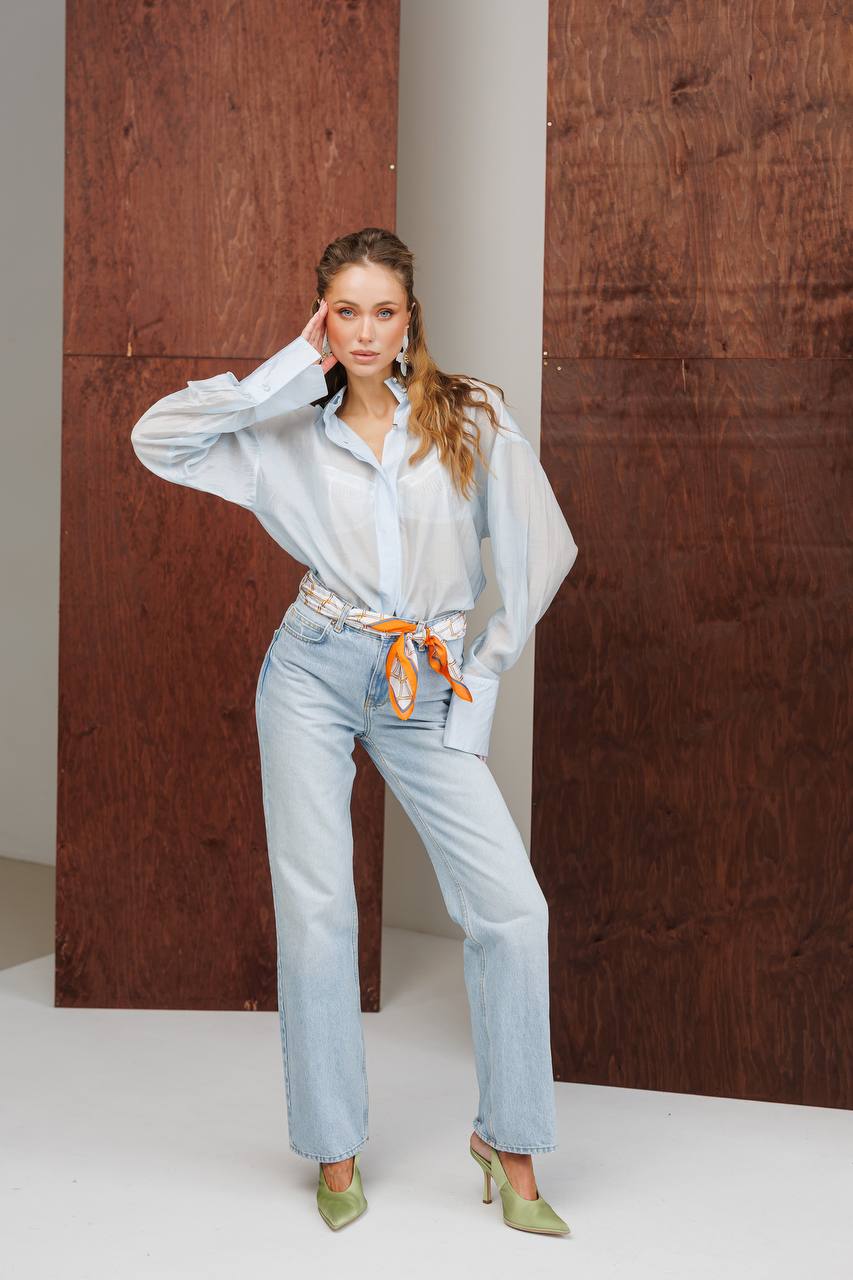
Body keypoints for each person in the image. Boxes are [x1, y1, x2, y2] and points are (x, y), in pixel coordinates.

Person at [130, 227, 578, 1235]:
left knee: (511, 907)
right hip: (312, 668)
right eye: (345, 310)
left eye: (383, 309)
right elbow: (158, 439)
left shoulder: (470, 415)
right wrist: (287, 370)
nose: (365, 329)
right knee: (320, 908)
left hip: (425, 679)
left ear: (410, 314)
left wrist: (485, 663)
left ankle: (508, 1139)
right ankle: (334, 1147)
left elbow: (539, 545)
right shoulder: (288, 428)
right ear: (320, 315)